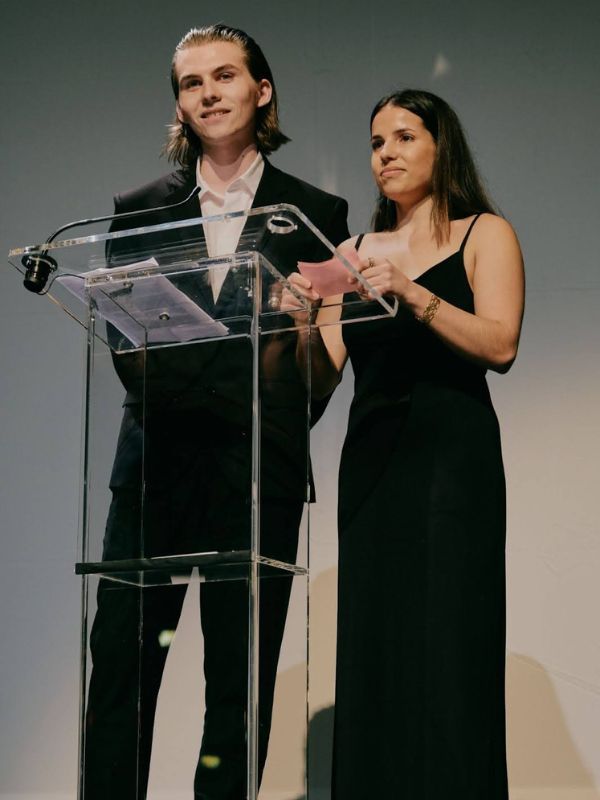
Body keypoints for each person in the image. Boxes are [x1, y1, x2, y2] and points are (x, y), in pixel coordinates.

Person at [83, 24, 349, 800]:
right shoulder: (137, 209)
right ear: (180, 104)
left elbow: (321, 379)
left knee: (238, 687)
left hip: (254, 470)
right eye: (192, 83)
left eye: (225, 76)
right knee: (123, 677)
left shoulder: (312, 210)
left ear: (261, 91)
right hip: (155, 471)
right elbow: (124, 345)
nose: (208, 93)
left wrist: (297, 326)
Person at [286, 89, 524, 798]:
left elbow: (501, 344)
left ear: (439, 146)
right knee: (377, 642)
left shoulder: (486, 232)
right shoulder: (351, 253)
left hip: (454, 461)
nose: (385, 153)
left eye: (403, 138)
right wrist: (299, 322)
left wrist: (413, 294)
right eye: (375, 142)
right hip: (373, 462)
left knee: (451, 642)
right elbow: (320, 378)